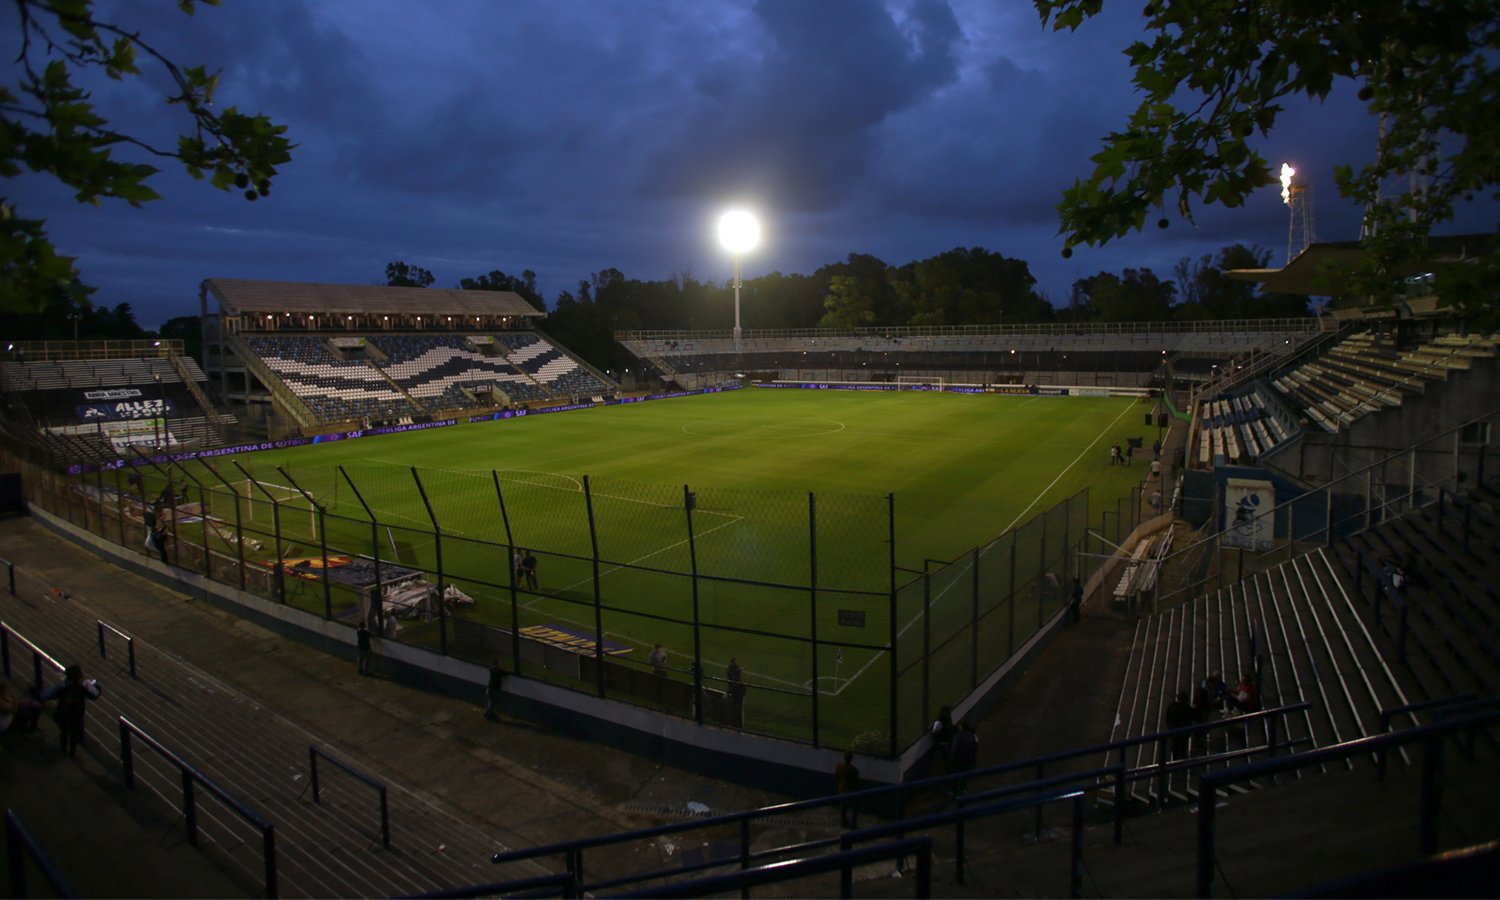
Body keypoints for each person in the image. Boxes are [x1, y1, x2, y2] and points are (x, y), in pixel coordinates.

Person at [41, 664, 100, 758]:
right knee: (74, 735)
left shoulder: (63, 687)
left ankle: (63, 750)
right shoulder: (82, 688)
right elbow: (95, 695)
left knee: (64, 732)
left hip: (62, 714)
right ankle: (72, 753)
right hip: (75, 715)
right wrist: (91, 686)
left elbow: (46, 695)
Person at [950, 722, 979, 794]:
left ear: (962, 728)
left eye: (960, 727)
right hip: (968, 757)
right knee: (964, 772)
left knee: (956, 772)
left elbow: (953, 749)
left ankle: (956, 789)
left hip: (959, 758)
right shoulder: (970, 734)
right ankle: (963, 788)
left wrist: (952, 756)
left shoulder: (958, 736)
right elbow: (976, 743)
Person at [1164, 692, 1195, 759]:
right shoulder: (1188, 709)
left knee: (1176, 748)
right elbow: (1194, 716)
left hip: (1174, 731)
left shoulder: (1172, 706)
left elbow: (1168, 717)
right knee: (1183, 747)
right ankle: (1182, 759)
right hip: (1184, 732)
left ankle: (1175, 760)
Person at [834, 751, 861, 828]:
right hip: (851, 791)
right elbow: (856, 782)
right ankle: (853, 824)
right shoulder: (853, 770)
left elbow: (836, 777)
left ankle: (843, 822)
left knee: (843, 807)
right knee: (854, 807)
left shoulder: (839, 766)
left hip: (842, 789)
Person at [726, 657, 746, 724]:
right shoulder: (731, 670)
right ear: (733, 662)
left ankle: (736, 722)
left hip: (738, 690)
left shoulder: (735, 668)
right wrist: (739, 670)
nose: (737, 662)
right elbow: (733, 678)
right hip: (736, 690)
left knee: (738, 707)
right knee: (736, 707)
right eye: (736, 661)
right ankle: (735, 723)